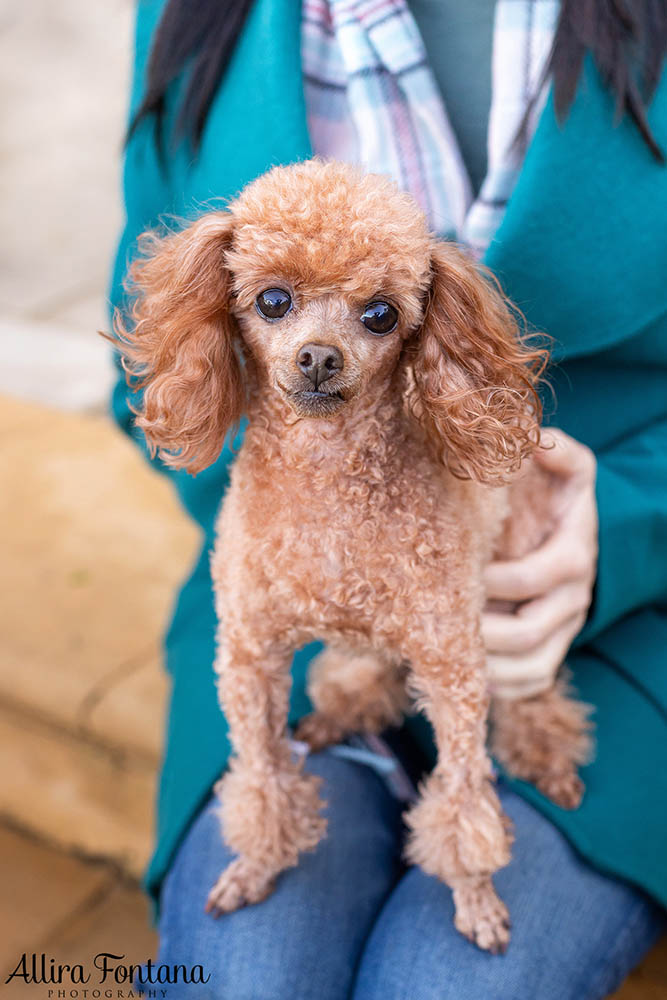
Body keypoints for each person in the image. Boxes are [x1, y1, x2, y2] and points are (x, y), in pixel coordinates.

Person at [110, 0, 667, 996]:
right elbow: (148, 370)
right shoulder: (186, 17)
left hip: (620, 634)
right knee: (242, 979)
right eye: (275, 306)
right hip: (288, 587)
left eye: (371, 315)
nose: (317, 349)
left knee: (449, 984)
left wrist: (624, 524)